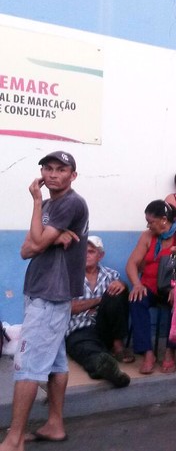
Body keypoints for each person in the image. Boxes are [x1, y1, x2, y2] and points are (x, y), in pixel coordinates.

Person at [1, 151, 88, 448]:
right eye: (47, 168)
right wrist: (44, 230)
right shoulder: (51, 204)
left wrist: (36, 206)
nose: (52, 174)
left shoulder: (70, 203)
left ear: (72, 175)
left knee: (27, 365)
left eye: (61, 169)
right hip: (42, 290)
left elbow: (35, 242)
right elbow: (27, 250)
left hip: (51, 294)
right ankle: (54, 424)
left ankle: (13, 440)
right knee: (55, 362)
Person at [126, 200, 176, 375]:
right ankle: (148, 353)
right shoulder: (148, 236)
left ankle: (170, 351)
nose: (148, 225)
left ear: (164, 220)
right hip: (150, 286)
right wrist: (137, 284)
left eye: (151, 221)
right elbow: (132, 263)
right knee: (136, 300)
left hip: (172, 287)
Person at [65, 236, 132, 388]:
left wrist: (122, 285)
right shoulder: (70, 276)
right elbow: (69, 308)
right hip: (79, 328)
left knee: (118, 292)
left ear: (100, 255)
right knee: (85, 349)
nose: (86, 255)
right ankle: (106, 368)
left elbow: (119, 303)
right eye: (82, 252)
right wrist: (100, 300)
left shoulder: (112, 276)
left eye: (91, 252)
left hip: (104, 328)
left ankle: (118, 346)